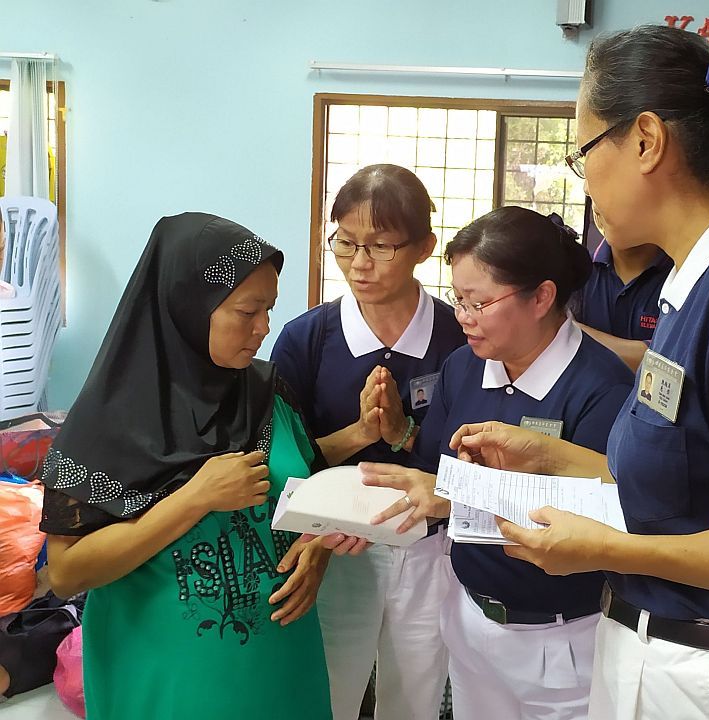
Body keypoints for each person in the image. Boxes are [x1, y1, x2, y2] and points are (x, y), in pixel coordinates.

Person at [438, 27, 709, 720]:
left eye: (583, 153)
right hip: (663, 659)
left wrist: (607, 548)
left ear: (645, 140)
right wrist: (554, 457)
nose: (585, 182)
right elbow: (687, 483)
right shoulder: (694, 289)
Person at [38, 213, 332, 719]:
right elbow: (66, 573)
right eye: (247, 310)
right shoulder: (107, 423)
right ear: (189, 308)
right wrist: (195, 497)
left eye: (269, 309)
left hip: (283, 667)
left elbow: (307, 493)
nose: (264, 327)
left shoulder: (268, 392)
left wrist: (320, 548)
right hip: (169, 679)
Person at [359, 206, 634, 720]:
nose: (462, 316)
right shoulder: (464, 366)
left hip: (563, 641)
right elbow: (435, 473)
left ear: (542, 297)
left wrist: (455, 492)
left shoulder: (601, 387)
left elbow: (600, 519)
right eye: (457, 299)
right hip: (470, 621)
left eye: (479, 302)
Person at [271, 165, 465, 720]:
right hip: (333, 550)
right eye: (345, 243)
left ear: (424, 247)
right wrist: (358, 434)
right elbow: (282, 454)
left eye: (380, 246)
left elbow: (472, 455)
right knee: (328, 694)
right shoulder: (307, 338)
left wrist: (405, 433)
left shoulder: (459, 338)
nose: (359, 263)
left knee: (416, 698)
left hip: (429, 550)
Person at [572, 202, 672, 370]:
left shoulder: (682, 275)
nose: (589, 190)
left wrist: (572, 333)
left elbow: (668, 364)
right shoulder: (577, 271)